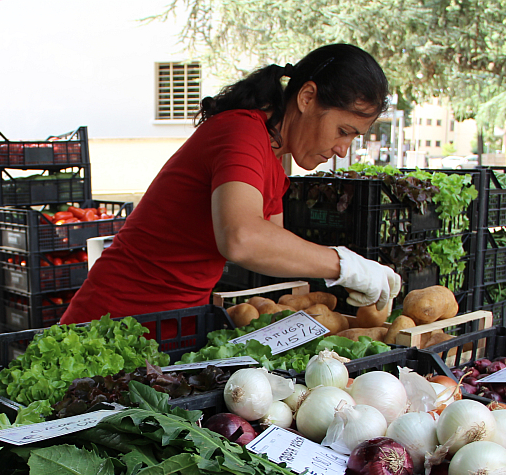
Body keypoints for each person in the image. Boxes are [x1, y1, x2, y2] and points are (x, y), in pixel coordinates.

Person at [59, 43, 401, 325]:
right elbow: (241, 239)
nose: (343, 149)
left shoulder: (273, 163)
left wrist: (354, 272)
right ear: (307, 98)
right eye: (344, 131)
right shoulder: (241, 131)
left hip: (173, 326)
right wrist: (345, 265)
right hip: (114, 320)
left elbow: (270, 247)